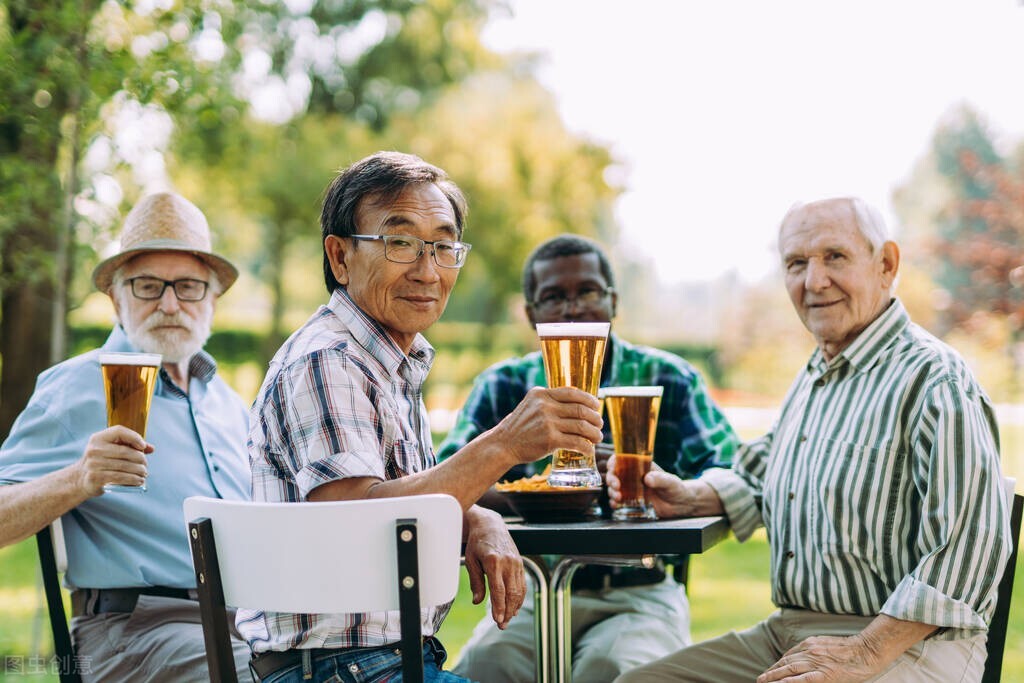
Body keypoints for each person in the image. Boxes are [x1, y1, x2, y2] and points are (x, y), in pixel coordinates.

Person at [611, 196, 1013, 683]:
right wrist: (690, 496)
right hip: (792, 631)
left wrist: (865, 651)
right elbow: (764, 470)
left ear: (886, 264)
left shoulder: (934, 378)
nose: (814, 281)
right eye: (796, 264)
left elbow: (970, 545)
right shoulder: (817, 373)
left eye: (834, 257)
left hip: (907, 646)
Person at [242, 151, 604, 683]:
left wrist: (477, 515)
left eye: (442, 246)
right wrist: (503, 445)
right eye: (401, 242)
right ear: (340, 257)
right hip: (338, 671)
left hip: (384, 664)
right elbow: (353, 521)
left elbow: (398, 498)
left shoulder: (386, 362)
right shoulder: (328, 362)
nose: (427, 270)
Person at [436, 234, 741, 683]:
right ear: (532, 314)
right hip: (531, 592)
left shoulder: (667, 378)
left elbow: (731, 473)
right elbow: (448, 486)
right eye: (554, 297)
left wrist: (642, 477)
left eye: (588, 292)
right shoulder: (502, 384)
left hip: (639, 591)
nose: (573, 309)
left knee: (613, 669)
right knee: (484, 669)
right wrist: (548, 483)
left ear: (613, 301)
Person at [0, 192, 253, 681]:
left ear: (214, 298)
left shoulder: (228, 403)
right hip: (134, 631)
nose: (170, 302)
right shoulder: (75, 386)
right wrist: (77, 479)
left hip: (248, 625)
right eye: (147, 285)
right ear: (115, 297)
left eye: (188, 287)